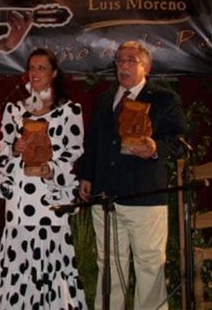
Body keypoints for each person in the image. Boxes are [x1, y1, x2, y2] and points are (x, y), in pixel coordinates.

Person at [78, 40, 185, 310]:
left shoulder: (164, 99)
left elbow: (179, 140)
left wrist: (154, 148)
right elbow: (93, 143)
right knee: (109, 265)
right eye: (119, 61)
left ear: (146, 67)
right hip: (106, 197)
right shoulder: (104, 98)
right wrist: (87, 176)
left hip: (145, 197)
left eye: (130, 60)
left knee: (149, 265)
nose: (122, 66)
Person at [0, 48, 88, 309]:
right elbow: (0, 148)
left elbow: (74, 151)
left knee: (52, 267)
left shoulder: (69, 111)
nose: (35, 73)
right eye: (32, 68)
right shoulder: (13, 110)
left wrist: (51, 168)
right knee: (17, 265)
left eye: (41, 68)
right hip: (21, 204)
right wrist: (15, 149)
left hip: (49, 201)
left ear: (54, 74)